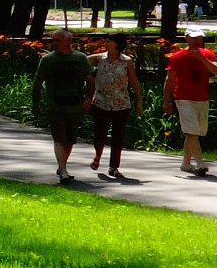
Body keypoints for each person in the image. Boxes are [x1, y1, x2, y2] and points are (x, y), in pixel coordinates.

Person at [32, 27, 94, 183]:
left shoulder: (80, 58)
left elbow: (90, 80)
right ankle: (64, 171)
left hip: (75, 105)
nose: (54, 43)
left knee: (70, 139)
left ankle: (62, 166)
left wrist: (88, 98)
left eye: (57, 40)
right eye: (53, 40)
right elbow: (37, 83)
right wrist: (36, 104)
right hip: (55, 106)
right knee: (59, 138)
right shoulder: (47, 60)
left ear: (68, 40)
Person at [164, 25, 217, 175]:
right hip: (183, 98)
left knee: (194, 133)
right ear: (187, 38)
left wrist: (202, 59)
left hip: (202, 98)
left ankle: (186, 164)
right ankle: (200, 163)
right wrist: (166, 100)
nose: (197, 40)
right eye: (193, 37)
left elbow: (216, 71)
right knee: (191, 132)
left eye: (199, 37)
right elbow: (169, 80)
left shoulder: (208, 54)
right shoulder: (178, 57)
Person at [88, 33, 143, 179]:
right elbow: (81, 62)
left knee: (118, 136)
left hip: (121, 102)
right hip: (101, 102)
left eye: (109, 41)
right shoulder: (98, 59)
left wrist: (139, 100)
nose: (106, 43)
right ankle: (97, 156)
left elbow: (133, 80)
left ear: (117, 44)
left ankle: (114, 167)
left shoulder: (127, 61)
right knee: (99, 133)